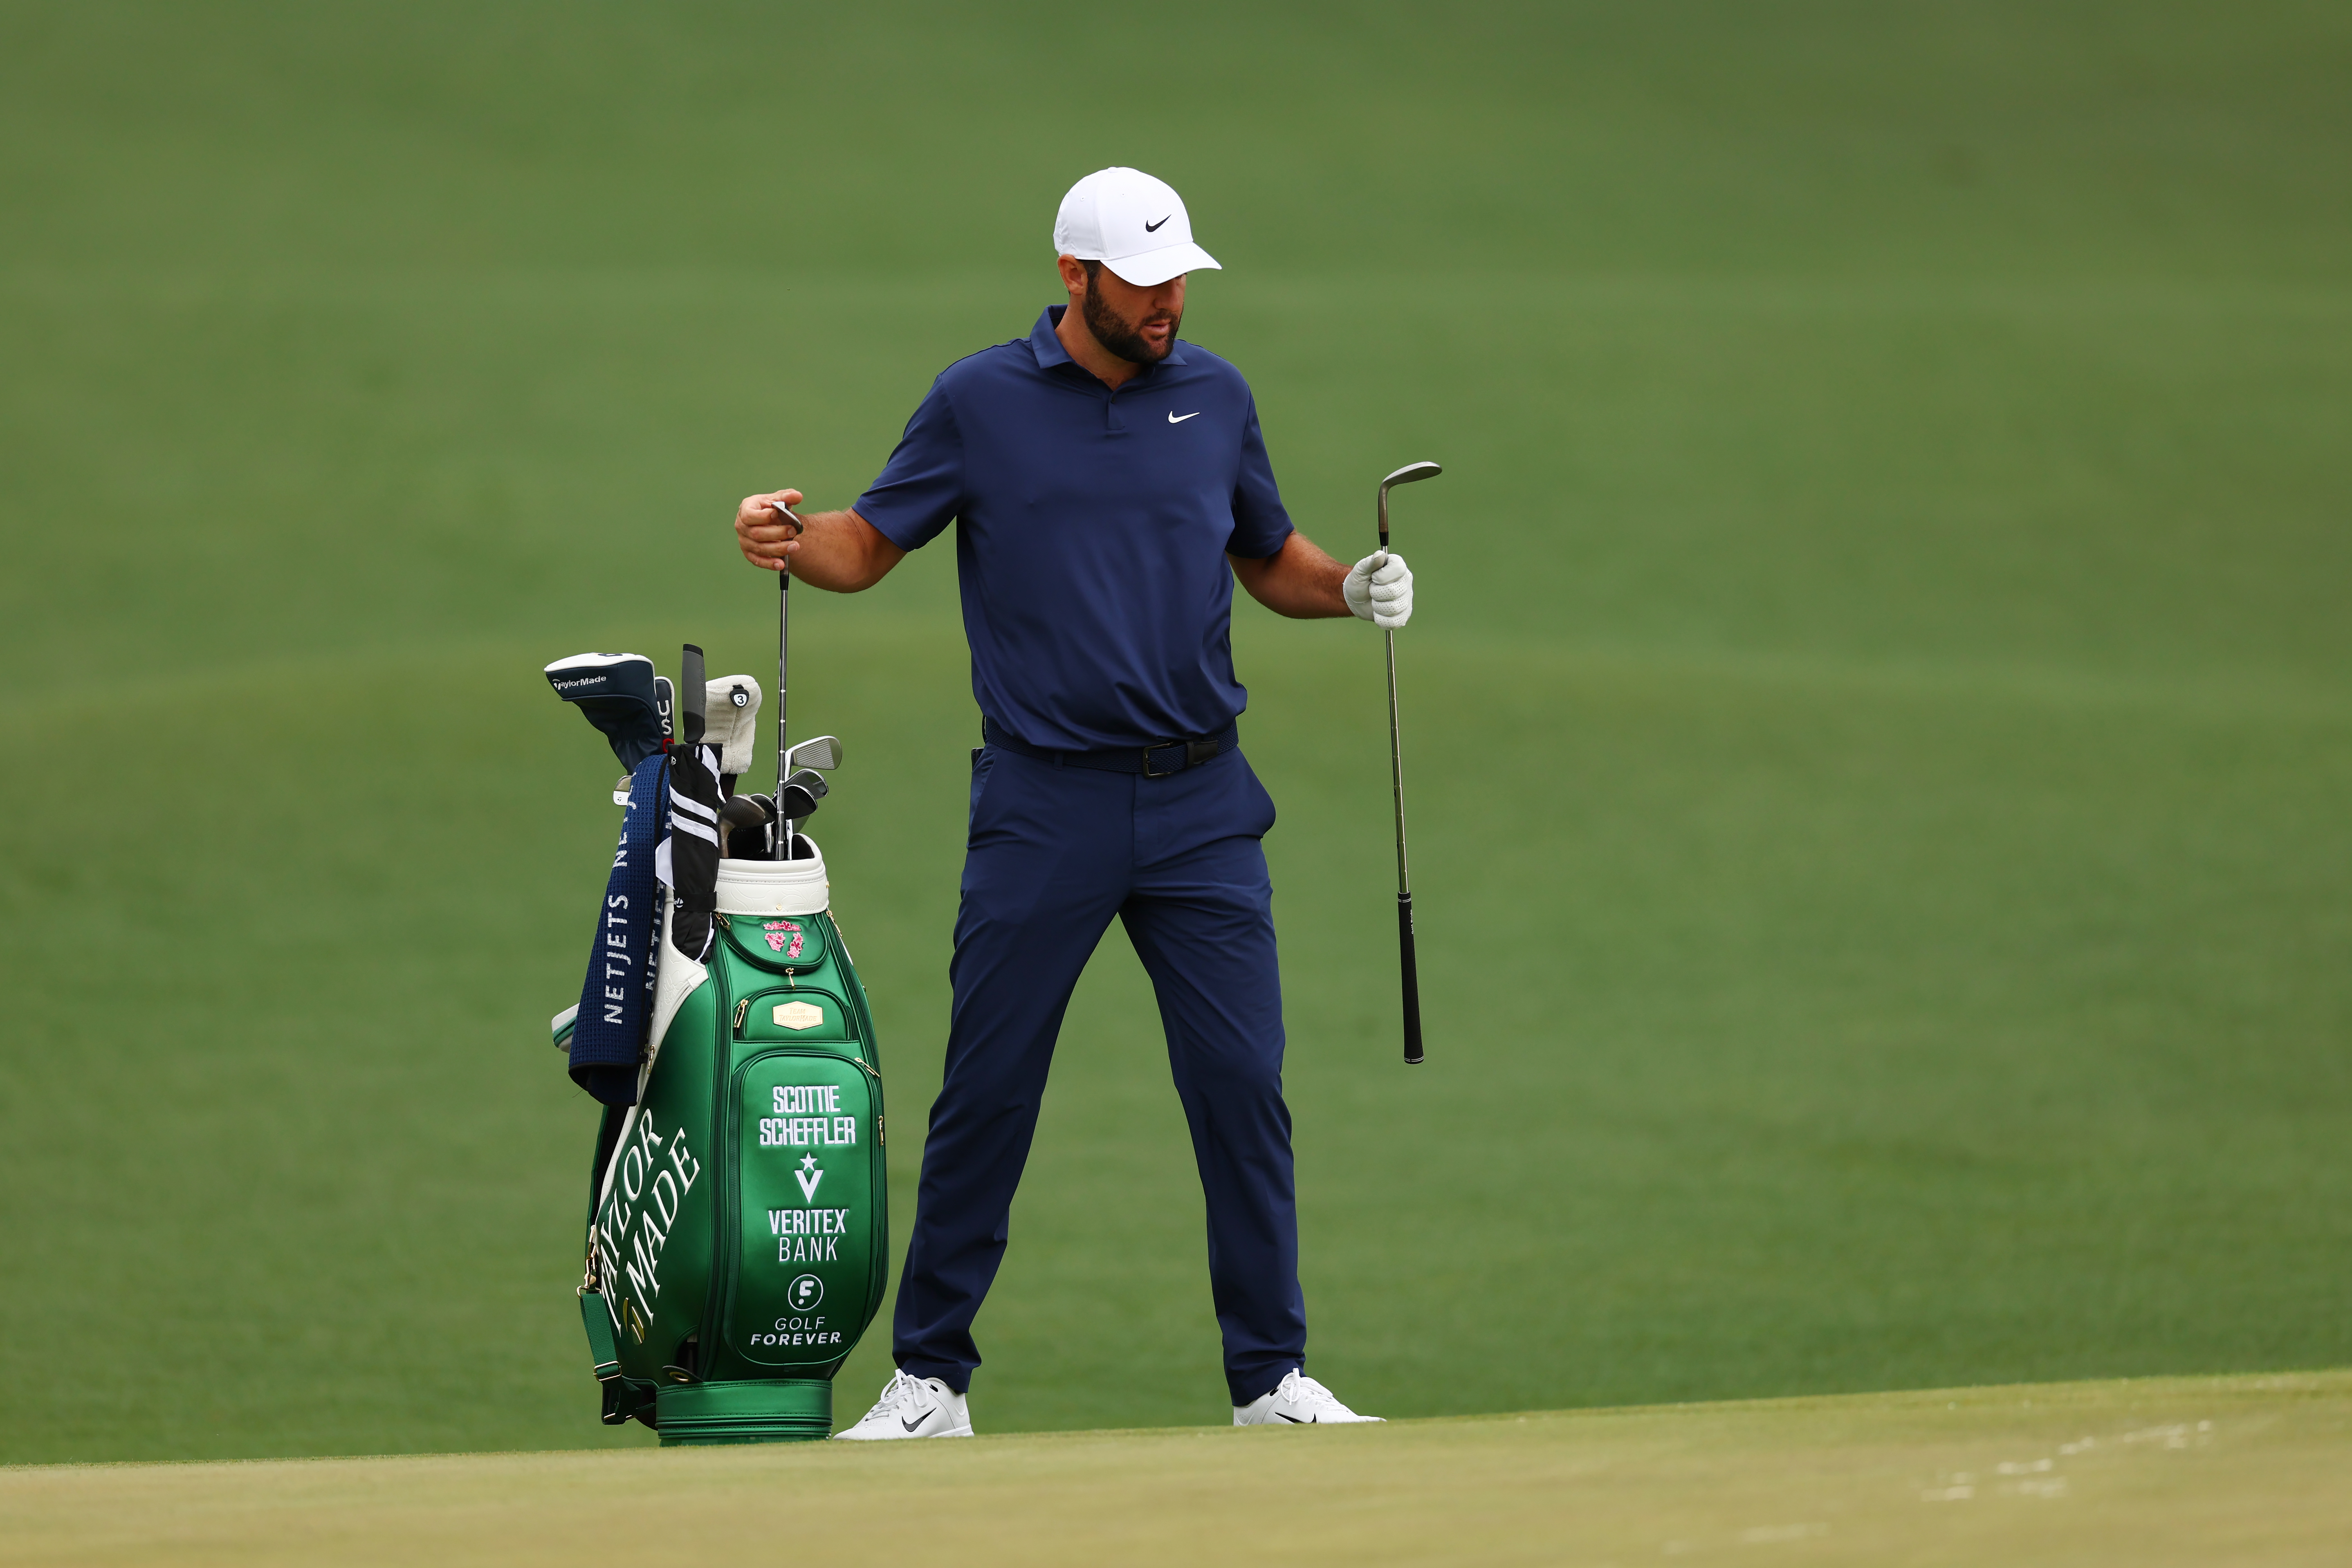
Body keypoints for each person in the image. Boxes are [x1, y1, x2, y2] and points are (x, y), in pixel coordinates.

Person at [733, 167, 1414, 1437]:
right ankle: (931, 1379)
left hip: (1205, 802)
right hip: (1045, 805)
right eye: (1145, 283)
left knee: (1240, 1086)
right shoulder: (980, 401)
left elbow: (1270, 555)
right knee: (988, 1092)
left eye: (1178, 281)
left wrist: (1353, 586)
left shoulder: (1216, 397)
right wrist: (789, 533)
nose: (1168, 304)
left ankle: (1271, 1379)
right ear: (1074, 279)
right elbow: (868, 545)